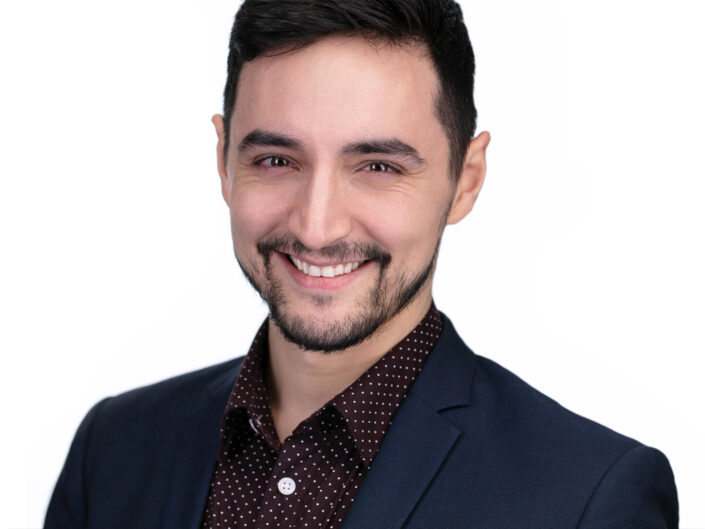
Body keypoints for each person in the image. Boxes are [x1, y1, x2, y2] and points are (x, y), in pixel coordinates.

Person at [44, 0, 679, 527]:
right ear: (223, 162)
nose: (316, 226)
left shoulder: (590, 497)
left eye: (378, 167)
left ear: (466, 180)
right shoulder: (113, 450)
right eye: (276, 161)